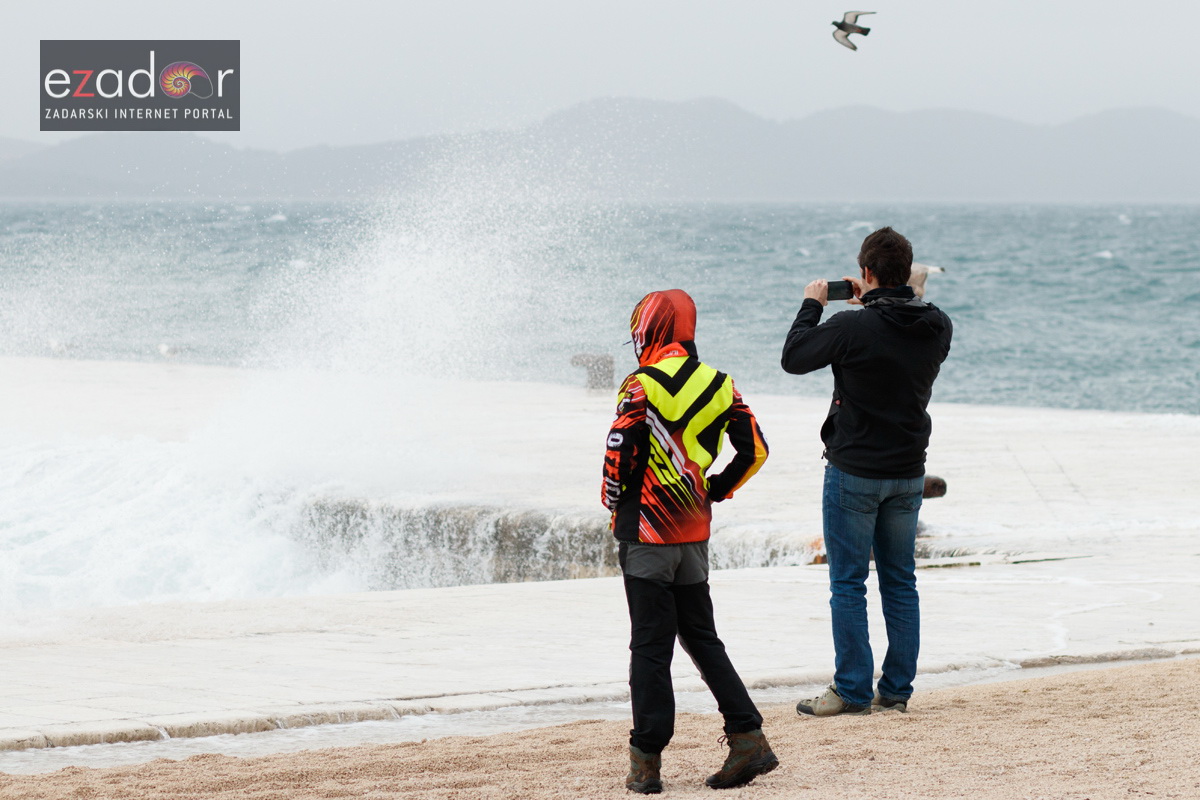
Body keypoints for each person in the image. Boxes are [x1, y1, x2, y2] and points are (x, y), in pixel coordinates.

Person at [602, 289, 777, 793]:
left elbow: (618, 454)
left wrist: (613, 501)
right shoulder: (721, 384)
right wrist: (714, 489)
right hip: (694, 533)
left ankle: (646, 763)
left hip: (646, 534)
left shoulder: (639, 385)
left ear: (648, 330)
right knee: (702, 638)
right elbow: (755, 451)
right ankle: (748, 738)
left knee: (650, 647)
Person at [780, 227, 952, 717]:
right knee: (900, 581)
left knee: (848, 584)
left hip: (854, 471)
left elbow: (794, 358)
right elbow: (897, 331)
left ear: (865, 272)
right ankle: (895, 690)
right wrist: (875, 303)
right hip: (907, 471)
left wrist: (813, 304)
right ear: (908, 272)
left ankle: (853, 691)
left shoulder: (851, 327)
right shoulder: (938, 324)